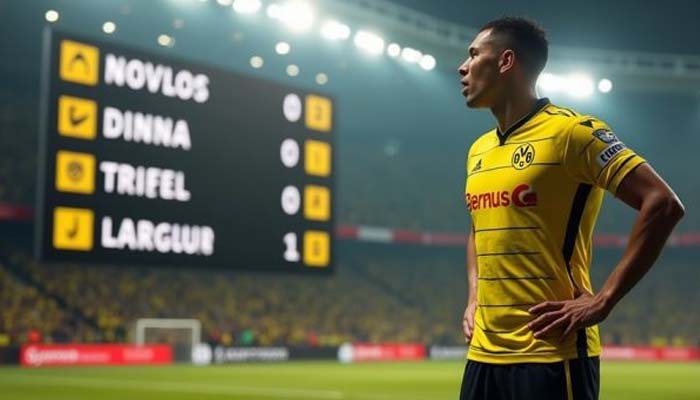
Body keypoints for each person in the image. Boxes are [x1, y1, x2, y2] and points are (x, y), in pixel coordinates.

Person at [458, 17, 685, 400]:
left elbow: (662, 203)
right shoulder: (478, 150)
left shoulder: (572, 134)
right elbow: (480, 227)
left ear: (506, 61)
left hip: (552, 353)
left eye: (474, 54)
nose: (463, 67)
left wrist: (604, 299)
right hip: (483, 355)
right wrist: (474, 295)